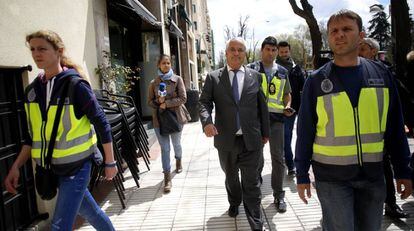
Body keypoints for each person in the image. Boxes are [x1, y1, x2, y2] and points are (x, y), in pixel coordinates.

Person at [295, 10, 412, 231]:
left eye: (346, 29)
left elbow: (395, 128)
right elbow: (305, 132)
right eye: (334, 31)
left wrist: (403, 171)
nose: (339, 35)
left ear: (361, 35)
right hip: (331, 178)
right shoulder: (316, 81)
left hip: (373, 175)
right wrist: (301, 173)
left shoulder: (382, 75)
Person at [4, 30, 117, 230]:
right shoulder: (32, 91)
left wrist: (110, 162)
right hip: (52, 168)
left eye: (42, 49)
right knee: (91, 212)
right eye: (32, 49)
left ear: (59, 51)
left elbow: (101, 122)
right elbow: (32, 137)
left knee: (59, 226)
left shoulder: (75, 85)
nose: (37, 53)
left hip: (78, 165)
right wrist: (15, 167)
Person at [199, 37, 269, 231]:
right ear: (226, 52)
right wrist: (207, 122)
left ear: (245, 53)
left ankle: (256, 223)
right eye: (232, 49)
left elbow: (261, 105)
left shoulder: (255, 76)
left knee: (252, 182)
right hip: (226, 140)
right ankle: (234, 201)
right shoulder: (214, 77)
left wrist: (266, 132)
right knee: (231, 178)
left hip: (251, 140)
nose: (236, 53)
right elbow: (204, 102)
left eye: (240, 50)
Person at [359, 37, 409, 218]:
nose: (359, 52)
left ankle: (390, 203)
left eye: (363, 49)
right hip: (355, 136)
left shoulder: (385, 73)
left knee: (385, 165)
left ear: (373, 51)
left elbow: (400, 99)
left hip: (380, 133)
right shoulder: (350, 71)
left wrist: (401, 122)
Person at [248, 36, 293, 213]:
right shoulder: (251, 69)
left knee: (278, 158)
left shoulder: (282, 71)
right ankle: (256, 191)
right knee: (257, 157)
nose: (271, 52)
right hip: (256, 120)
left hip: (276, 120)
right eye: (268, 49)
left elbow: (287, 95)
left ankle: (278, 194)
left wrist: (288, 106)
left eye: (274, 50)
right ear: (262, 50)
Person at [148, 54, 189, 193]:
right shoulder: (154, 83)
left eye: (168, 63)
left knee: (176, 144)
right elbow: (149, 102)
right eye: (163, 63)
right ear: (158, 65)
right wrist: (158, 102)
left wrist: (167, 103)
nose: (166, 65)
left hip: (175, 117)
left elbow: (183, 98)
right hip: (159, 120)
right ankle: (167, 177)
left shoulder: (177, 79)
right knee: (165, 148)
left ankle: (178, 160)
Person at [276, 40, 305, 176]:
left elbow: (303, 88)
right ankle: (288, 163)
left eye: (286, 51)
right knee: (283, 137)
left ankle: (289, 163)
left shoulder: (296, 68)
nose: (284, 54)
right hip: (276, 108)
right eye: (281, 52)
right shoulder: (273, 68)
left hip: (292, 109)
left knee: (288, 136)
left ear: (289, 51)